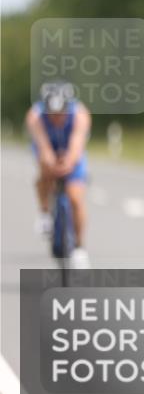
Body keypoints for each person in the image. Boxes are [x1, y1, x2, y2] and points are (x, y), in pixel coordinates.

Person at [25, 81, 92, 268]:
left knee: (76, 198)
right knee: (44, 173)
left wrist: (68, 163)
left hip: (71, 150)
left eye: (60, 113)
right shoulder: (35, 116)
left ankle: (79, 247)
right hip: (48, 147)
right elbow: (43, 147)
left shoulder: (80, 115)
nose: (56, 117)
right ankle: (45, 212)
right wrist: (50, 163)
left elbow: (77, 145)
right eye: (51, 114)